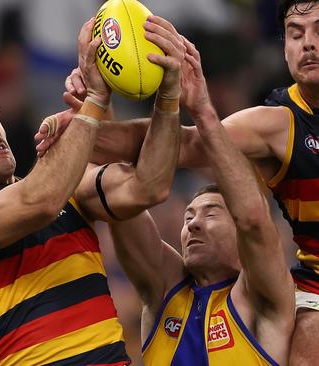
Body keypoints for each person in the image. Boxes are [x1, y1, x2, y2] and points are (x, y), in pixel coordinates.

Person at [39, 0, 319, 364]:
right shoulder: (275, 125)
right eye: (294, 33)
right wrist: (83, 131)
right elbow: (179, 145)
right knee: (312, 349)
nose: (307, 43)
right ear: (285, 48)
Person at [0, 16, 185, 366]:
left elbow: (149, 186)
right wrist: (94, 102)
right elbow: (39, 202)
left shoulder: (68, 189)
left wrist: (168, 96)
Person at [103, 40, 295, 365]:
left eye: (211, 212)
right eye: (189, 215)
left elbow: (253, 218)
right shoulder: (165, 291)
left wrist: (204, 113)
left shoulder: (260, 298)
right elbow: (119, 202)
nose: (192, 222)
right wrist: (102, 93)